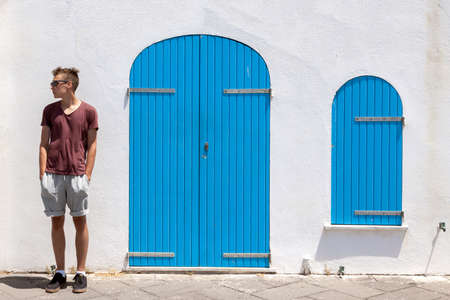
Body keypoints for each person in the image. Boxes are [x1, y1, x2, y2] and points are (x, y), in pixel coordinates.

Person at [39, 67, 98, 293]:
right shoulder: (49, 111)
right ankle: (60, 272)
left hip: (77, 175)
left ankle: (80, 273)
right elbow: (44, 143)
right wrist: (42, 173)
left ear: (68, 85)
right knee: (56, 222)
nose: (51, 87)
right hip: (53, 174)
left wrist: (88, 173)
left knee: (80, 221)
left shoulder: (89, 111)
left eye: (55, 83)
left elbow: (92, 144)